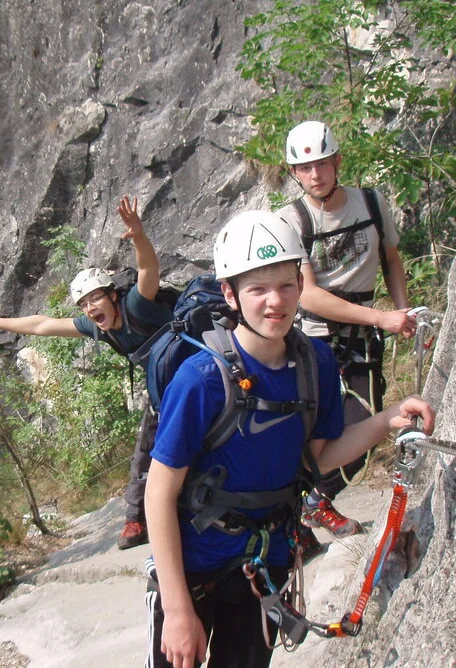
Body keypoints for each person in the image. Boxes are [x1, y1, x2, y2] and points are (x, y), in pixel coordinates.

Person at [144, 210, 435, 668]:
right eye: (257, 289)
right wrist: (178, 610)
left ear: (301, 286)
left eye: (284, 285)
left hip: (266, 561)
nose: (274, 302)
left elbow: (320, 457)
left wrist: (387, 419)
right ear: (231, 295)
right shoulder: (200, 379)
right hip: (194, 565)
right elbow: (158, 492)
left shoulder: (314, 361)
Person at [0, 195, 170, 550]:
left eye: (94, 299)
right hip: (163, 389)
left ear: (112, 296)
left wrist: (138, 236)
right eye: (84, 304)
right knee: (143, 456)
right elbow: (42, 325)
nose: (89, 308)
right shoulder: (99, 328)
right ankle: (135, 522)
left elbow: (149, 270)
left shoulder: (136, 305)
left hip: (190, 376)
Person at [275, 120, 417, 540]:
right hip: (314, 340)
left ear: (337, 161)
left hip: (362, 337)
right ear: (293, 173)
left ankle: (312, 502)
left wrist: (403, 310)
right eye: (304, 169)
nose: (314, 175)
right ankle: (301, 505)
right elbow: (309, 295)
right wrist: (382, 318)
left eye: (321, 164)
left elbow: (391, 259)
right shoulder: (291, 220)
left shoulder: (371, 204)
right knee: (318, 431)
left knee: (368, 426)